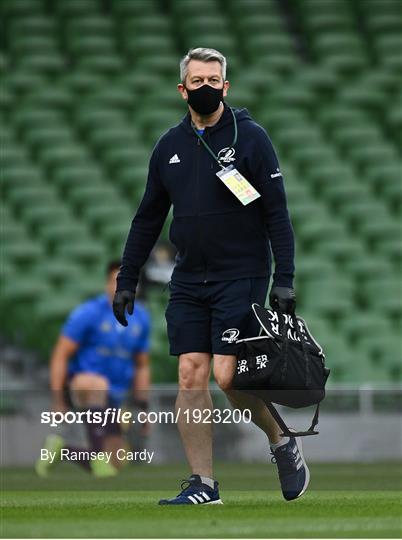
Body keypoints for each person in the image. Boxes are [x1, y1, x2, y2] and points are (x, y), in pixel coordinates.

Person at [113, 48, 306, 504]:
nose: (206, 87)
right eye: (196, 81)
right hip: (188, 277)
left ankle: (282, 440)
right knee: (188, 375)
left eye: (213, 80)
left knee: (227, 376)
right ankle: (204, 485)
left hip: (242, 272)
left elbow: (277, 213)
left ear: (226, 86)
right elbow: (147, 219)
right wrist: (127, 278)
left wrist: (286, 277)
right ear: (182, 89)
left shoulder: (252, 138)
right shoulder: (168, 147)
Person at [36, 260, 151, 478]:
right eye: (117, 282)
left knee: (116, 464)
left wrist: (143, 408)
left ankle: (65, 451)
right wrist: (58, 400)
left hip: (115, 397)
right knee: (97, 384)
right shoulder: (88, 313)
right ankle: (97, 455)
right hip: (81, 387)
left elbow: (142, 366)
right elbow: (60, 355)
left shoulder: (142, 318)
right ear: (107, 284)